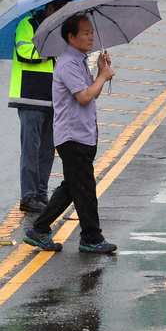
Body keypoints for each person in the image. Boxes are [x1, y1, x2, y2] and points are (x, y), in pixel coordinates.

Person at [23, 14, 117, 254]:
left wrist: (99, 72)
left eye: (91, 32)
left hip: (83, 135)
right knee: (85, 189)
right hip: (73, 137)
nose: (91, 37)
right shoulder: (67, 63)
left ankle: (39, 229)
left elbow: (90, 93)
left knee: (72, 188)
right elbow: (84, 96)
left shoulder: (79, 61)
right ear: (71, 37)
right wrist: (103, 77)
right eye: (85, 33)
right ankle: (91, 237)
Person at [10, 0, 71, 212]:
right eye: (60, 12)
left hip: (53, 98)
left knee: (47, 149)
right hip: (30, 96)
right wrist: (53, 47)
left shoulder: (61, 32)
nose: (63, 17)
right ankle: (28, 196)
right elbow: (25, 53)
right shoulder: (27, 25)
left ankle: (41, 193)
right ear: (50, 8)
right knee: (31, 149)